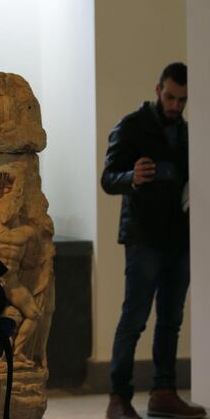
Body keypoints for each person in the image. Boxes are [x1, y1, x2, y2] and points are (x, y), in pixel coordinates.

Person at [101, 62, 204, 419]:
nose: (175, 105)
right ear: (158, 88)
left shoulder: (191, 133)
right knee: (134, 319)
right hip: (144, 238)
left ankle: (163, 392)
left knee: (171, 320)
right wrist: (133, 176)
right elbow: (108, 178)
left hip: (181, 239)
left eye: (182, 100)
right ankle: (118, 398)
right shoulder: (132, 127)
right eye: (171, 96)